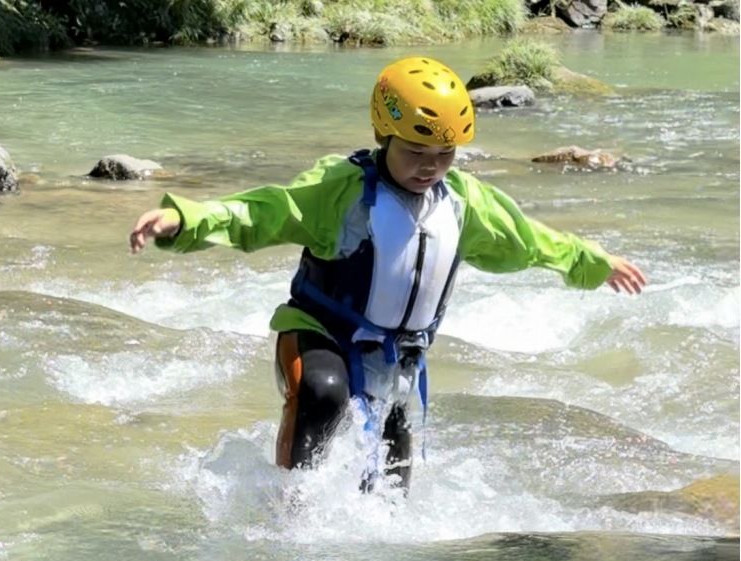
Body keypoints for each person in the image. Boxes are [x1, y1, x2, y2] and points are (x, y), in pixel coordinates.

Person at [129, 56, 647, 494]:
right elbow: (263, 213)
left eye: (445, 154)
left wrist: (594, 263)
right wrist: (184, 220)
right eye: (415, 152)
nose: (430, 166)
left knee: (390, 487)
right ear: (384, 134)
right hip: (317, 334)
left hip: (397, 359)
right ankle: (283, 516)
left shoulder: (465, 203)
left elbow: (530, 241)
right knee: (325, 392)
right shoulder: (343, 190)